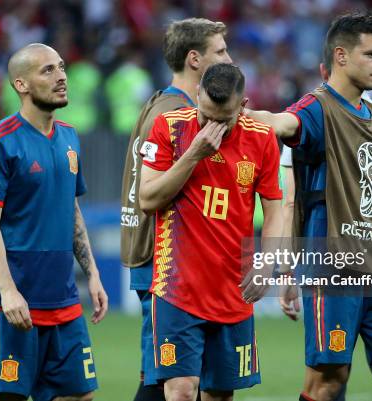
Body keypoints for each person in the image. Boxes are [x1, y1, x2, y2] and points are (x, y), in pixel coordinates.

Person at [248, 12, 372, 401]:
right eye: (371, 53)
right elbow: (282, 124)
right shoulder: (318, 108)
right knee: (328, 379)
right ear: (341, 56)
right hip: (335, 268)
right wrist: (244, 116)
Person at [0, 43, 108, 401]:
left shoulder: (69, 137)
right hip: (15, 303)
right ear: (21, 84)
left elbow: (71, 208)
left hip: (64, 299)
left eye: (61, 67)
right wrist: (9, 291)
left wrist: (91, 273)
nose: (61, 76)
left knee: (79, 396)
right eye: (47, 70)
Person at [139, 63, 283, 401]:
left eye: (223, 119)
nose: (211, 127)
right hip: (177, 286)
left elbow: (275, 208)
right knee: (181, 391)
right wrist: (193, 154)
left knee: (219, 394)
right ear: (198, 95)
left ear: (243, 105)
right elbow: (147, 199)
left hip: (232, 289)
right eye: (206, 115)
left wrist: (267, 263)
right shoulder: (169, 128)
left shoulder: (262, 138)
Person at [119, 17, 232, 401]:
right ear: (195, 59)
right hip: (163, 263)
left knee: (167, 378)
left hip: (167, 261)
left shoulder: (169, 105)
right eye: (220, 51)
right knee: (170, 382)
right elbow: (150, 194)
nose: (228, 59)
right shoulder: (171, 116)